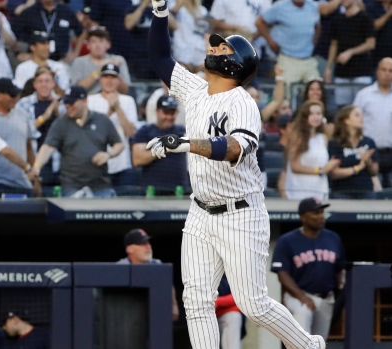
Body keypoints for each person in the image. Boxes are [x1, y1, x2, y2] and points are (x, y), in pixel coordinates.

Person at [146, 1, 327, 348]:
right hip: (201, 210)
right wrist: (159, 14)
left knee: (252, 303)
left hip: (240, 213)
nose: (212, 47)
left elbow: (234, 147)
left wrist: (184, 144)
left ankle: (308, 345)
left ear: (234, 62)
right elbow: (160, 60)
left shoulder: (241, 102)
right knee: (196, 300)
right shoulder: (197, 89)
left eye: (221, 46)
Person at [271, 197, 345, 340]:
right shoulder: (287, 240)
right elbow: (282, 273)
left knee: (319, 341)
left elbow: (340, 268)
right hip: (298, 297)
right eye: (316, 213)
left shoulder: (333, 238)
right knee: (303, 330)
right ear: (303, 217)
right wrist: (301, 296)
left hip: (326, 298)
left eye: (322, 212)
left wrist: (340, 290)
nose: (321, 216)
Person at [33, 85, 124, 198]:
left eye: (71, 103)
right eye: (66, 103)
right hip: (72, 185)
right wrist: (37, 166)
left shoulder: (102, 120)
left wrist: (108, 154)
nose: (68, 106)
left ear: (84, 101)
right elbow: (48, 147)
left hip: (100, 185)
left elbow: (119, 144)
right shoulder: (61, 123)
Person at [87, 63, 139, 193]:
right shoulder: (91, 100)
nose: (109, 81)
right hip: (97, 162)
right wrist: (110, 111)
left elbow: (131, 132)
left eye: (113, 77)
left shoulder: (127, 101)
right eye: (106, 77)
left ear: (119, 80)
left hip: (121, 163)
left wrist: (117, 108)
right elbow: (89, 131)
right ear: (100, 79)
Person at [256, 0, 322, 100]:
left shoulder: (313, 6)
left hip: (308, 59)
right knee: (285, 96)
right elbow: (259, 22)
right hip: (288, 58)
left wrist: (314, 41)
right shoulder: (280, 7)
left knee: (316, 90)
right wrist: (270, 41)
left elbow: (318, 25)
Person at [16, 67, 65, 189]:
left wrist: (58, 113)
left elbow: (68, 132)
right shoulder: (24, 104)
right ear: (35, 84)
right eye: (40, 81)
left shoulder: (63, 103)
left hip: (58, 162)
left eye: (47, 81)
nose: (44, 85)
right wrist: (46, 116)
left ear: (53, 83)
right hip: (34, 162)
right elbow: (23, 131)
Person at [116, 228, 180, 321]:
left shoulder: (157, 265)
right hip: (127, 314)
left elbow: (168, 284)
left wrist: (173, 305)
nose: (148, 247)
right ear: (129, 249)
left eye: (148, 243)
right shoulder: (120, 267)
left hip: (151, 314)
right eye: (142, 244)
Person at [131, 95, 189, 195]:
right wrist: (164, 146)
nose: (169, 117)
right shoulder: (146, 131)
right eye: (166, 113)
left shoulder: (182, 131)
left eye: (172, 113)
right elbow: (137, 160)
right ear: (157, 111)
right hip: (153, 189)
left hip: (179, 189)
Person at [284, 100, 340, 200]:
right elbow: (295, 166)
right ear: (305, 117)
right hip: (300, 189)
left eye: (318, 114)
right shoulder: (297, 136)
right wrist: (320, 170)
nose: (316, 117)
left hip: (319, 187)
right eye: (311, 114)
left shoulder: (323, 138)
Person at [0, 78, 37, 198]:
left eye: (17, 94)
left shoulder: (23, 115)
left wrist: (35, 177)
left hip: (23, 182)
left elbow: (29, 147)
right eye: (12, 95)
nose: (16, 98)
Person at [324, 0, 375, 106]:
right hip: (342, 73)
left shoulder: (365, 18)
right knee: (343, 109)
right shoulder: (337, 20)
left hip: (361, 72)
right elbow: (334, 45)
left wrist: (350, 52)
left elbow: (371, 44)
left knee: (362, 107)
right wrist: (328, 67)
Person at [353, 57, 392, 188]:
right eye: (384, 70)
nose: (387, 73)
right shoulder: (364, 95)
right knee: (374, 195)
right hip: (370, 154)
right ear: (377, 71)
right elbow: (353, 121)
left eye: (391, 70)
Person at [328, 104, 379, 199]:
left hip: (365, 191)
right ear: (346, 120)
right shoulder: (335, 143)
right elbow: (334, 173)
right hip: (342, 191)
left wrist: (368, 161)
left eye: (361, 114)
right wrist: (358, 168)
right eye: (357, 115)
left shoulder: (368, 141)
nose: (361, 117)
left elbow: (374, 171)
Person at [15, 0, 84, 62]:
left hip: (61, 60)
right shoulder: (30, 12)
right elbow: (17, 34)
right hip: (36, 60)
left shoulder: (65, 11)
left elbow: (81, 32)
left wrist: (75, 53)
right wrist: (19, 53)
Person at [69, 27, 131, 95]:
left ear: (108, 44)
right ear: (88, 45)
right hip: (88, 101)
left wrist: (115, 70)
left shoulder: (118, 60)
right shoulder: (79, 62)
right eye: (93, 41)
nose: (97, 45)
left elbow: (125, 91)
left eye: (101, 41)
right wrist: (98, 70)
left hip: (114, 99)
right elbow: (77, 90)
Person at [171, 0, 211, 73]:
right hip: (182, 52)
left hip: (200, 53)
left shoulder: (203, 10)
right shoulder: (175, 7)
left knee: (201, 80)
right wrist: (177, 6)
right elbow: (169, 21)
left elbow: (206, 32)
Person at [215, 275, 246, 349]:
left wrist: (219, 302)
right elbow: (210, 304)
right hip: (211, 321)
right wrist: (237, 307)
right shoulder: (210, 274)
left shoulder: (237, 275)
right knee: (233, 317)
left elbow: (245, 297)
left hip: (233, 323)